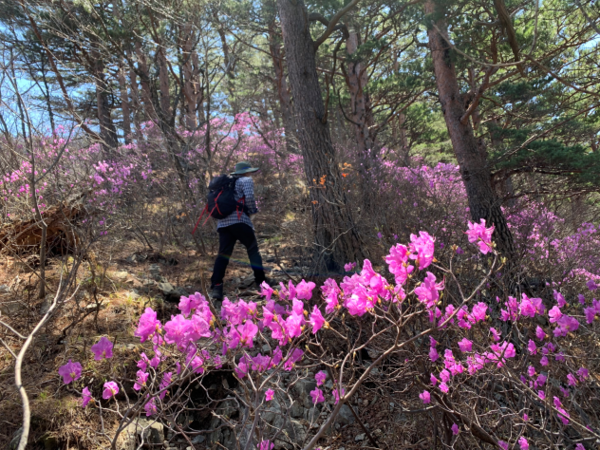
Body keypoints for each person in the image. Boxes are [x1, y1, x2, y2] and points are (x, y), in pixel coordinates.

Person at [210, 161, 267, 301]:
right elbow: (249, 198)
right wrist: (253, 211)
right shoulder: (246, 180)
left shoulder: (226, 185)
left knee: (223, 255)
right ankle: (262, 283)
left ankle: (216, 287)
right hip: (240, 220)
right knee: (253, 250)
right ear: (247, 172)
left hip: (223, 224)